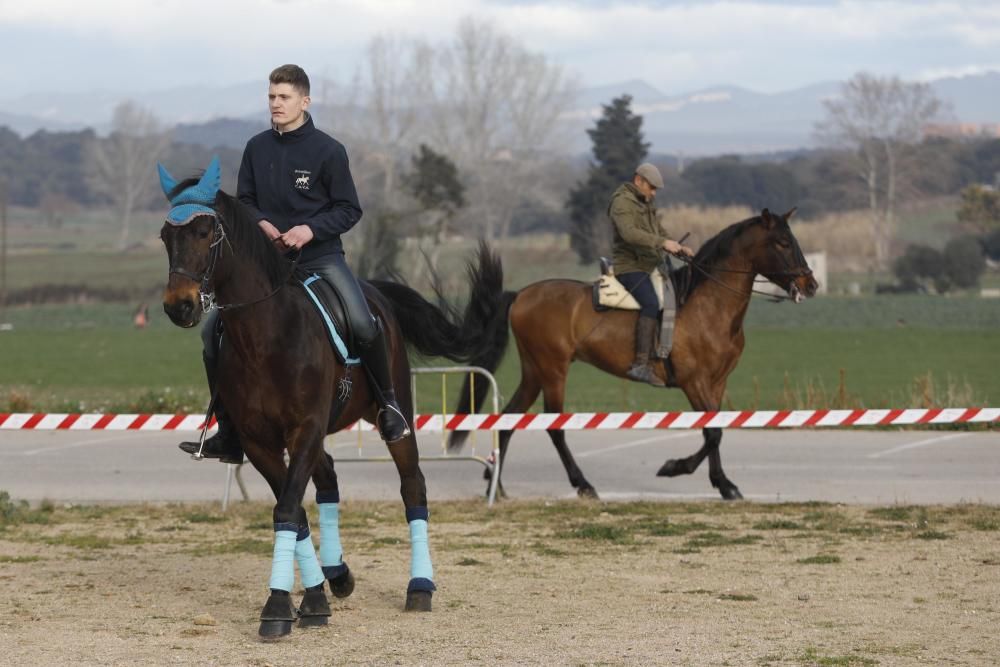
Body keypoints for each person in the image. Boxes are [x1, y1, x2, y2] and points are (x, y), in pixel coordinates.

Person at [179, 64, 409, 464]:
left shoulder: (329, 151)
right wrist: (261, 224)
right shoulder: (256, 148)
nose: (275, 104)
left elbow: (348, 209)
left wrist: (309, 230)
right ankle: (227, 430)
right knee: (212, 330)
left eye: (283, 97)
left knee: (362, 321)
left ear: (305, 101)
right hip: (268, 268)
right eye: (271, 97)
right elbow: (244, 202)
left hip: (320, 259)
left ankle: (389, 407)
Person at [608, 163, 693, 387]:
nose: (653, 193)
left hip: (651, 264)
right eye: (652, 188)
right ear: (639, 181)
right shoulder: (622, 202)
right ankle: (640, 365)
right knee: (651, 304)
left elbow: (657, 231)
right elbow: (630, 234)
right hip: (630, 267)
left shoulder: (645, 201)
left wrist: (675, 245)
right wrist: (662, 243)